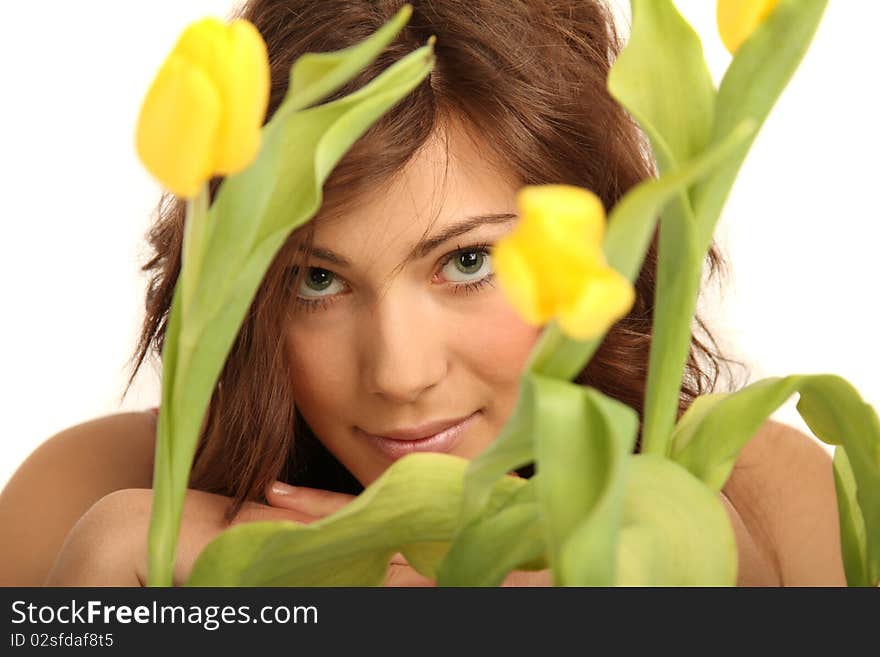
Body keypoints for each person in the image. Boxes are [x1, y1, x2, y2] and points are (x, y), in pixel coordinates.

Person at [0, 0, 846, 587]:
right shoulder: (89, 497)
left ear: (605, 233)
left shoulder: (757, 498)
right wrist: (107, 581)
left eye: (468, 262)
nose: (398, 373)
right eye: (318, 279)